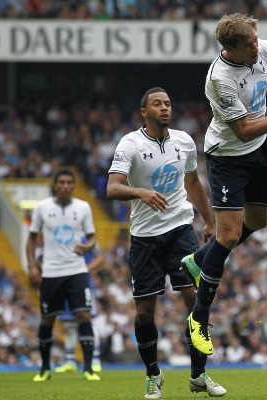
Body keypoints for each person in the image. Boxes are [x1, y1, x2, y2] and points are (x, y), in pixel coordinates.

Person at [181, 13, 267, 355]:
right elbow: (242, 131)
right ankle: (198, 319)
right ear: (229, 48)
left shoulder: (261, 49)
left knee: (258, 222)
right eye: (248, 45)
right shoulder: (220, 79)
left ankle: (199, 259)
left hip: (257, 150)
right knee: (227, 235)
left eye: (256, 40)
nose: (256, 47)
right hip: (228, 156)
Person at [107, 87, 225, 398]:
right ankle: (153, 374)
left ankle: (198, 375)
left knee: (195, 300)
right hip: (145, 238)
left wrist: (209, 221)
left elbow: (192, 182)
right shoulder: (130, 144)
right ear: (144, 112)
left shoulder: (184, 141)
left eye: (168, 104)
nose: (164, 108)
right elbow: (112, 188)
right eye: (157, 104)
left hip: (180, 230)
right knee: (145, 312)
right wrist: (141, 192)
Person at [27, 168, 101, 382]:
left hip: (77, 270)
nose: (66, 186)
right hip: (51, 272)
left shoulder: (83, 207)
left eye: (70, 182)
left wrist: (88, 247)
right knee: (47, 320)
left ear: (73, 185)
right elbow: (32, 238)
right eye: (62, 182)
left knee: (84, 316)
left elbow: (93, 238)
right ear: (55, 185)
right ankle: (45, 368)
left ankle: (88, 369)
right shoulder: (42, 208)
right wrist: (32, 266)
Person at [54, 238, 106, 373]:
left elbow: (100, 258)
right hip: (64, 282)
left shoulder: (87, 237)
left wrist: (84, 269)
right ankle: (70, 361)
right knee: (69, 325)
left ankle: (95, 360)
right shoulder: (60, 236)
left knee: (88, 320)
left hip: (83, 283)